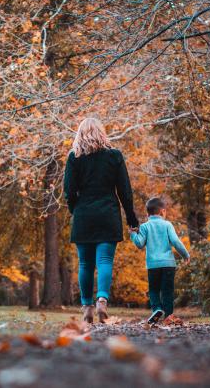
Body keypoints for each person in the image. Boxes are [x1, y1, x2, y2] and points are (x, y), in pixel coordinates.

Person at [63, 117, 139, 323]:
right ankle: (102, 301)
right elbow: (125, 191)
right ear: (101, 133)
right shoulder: (114, 156)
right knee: (105, 260)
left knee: (85, 263)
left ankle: (87, 307)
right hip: (108, 214)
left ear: (80, 134)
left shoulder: (74, 157)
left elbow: (69, 192)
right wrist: (131, 218)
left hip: (84, 215)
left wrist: (75, 211)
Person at [130, 197, 190, 324]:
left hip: (152, 265)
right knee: (167, 290)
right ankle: (168, 316)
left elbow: (140, 244)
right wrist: (185, 254)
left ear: (147, 214)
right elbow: (175, 242)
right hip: (168, 264)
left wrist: (133, 234)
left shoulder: (145, 227)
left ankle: (157, 309)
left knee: (154, 290)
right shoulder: (167, 225)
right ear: (163, 212)